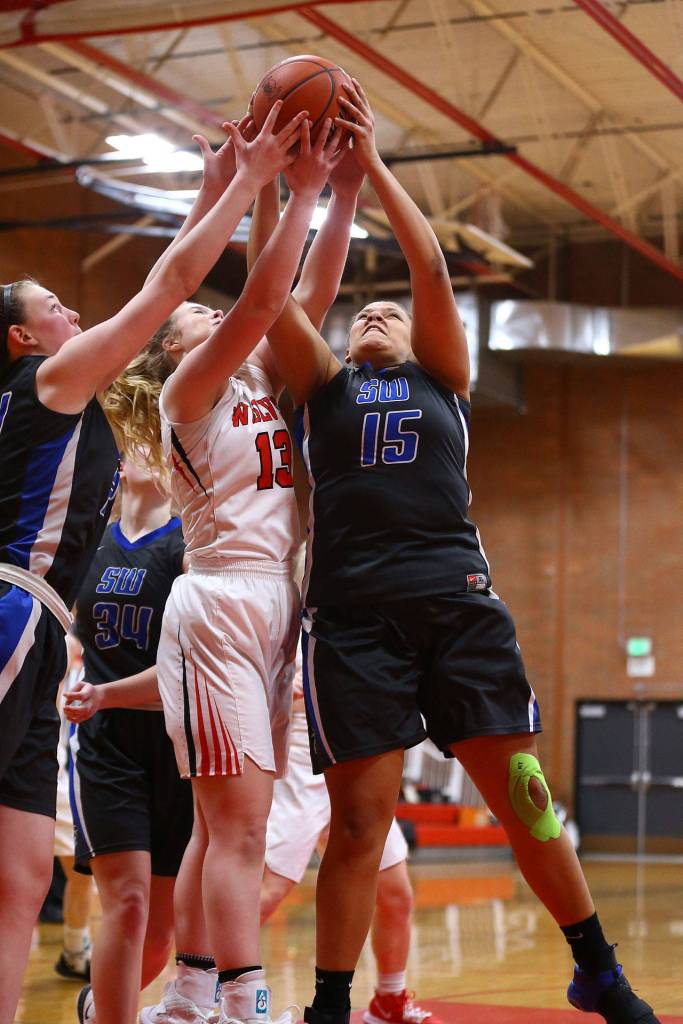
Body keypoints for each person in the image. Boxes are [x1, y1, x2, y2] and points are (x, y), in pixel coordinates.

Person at [260, 79, 661, 1024]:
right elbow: (275, 296)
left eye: (385, 314)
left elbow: (432, 273)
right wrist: (285, 192)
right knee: (357, 825)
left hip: (457, 600)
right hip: (353, 618)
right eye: (359, 313)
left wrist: (372, 171)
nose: (372, 315)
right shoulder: (320, 386)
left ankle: (595, 968)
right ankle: (328, 1004)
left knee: (523, 792)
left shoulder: (445, 378)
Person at [0, 100, 306, 1024]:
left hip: (51, 630)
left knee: (19, 877)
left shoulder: (63, 388)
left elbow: (186, 292)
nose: (71, 308)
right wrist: (246, 186)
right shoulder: (49, 382)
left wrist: (220, 189)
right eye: (53, 306)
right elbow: (167, 290)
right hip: (14, 604)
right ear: (22, 337)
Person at [69, 129, 366, 1024]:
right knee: (235, 828)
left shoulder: (262, 378)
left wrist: (339, 192)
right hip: (221, 604)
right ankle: (245, 1000)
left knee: (215, 826)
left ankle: (193, 990)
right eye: (198, 308)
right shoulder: (185, 392)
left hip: (277, 601)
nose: (214, 307)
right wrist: (288, 182)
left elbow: (302, 293)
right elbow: (270, 290)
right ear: (173, 344)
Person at [63, 451, 192, 1024]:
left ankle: (98, 1007)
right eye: (134, 438)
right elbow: (70, 631)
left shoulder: (189, 544)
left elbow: (185, 670)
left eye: (157, 439)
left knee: (160, 934)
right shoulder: (89, 538)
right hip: (105, 746)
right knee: (128, 900)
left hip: (173, 744)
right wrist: (68, 674)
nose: (146, 450)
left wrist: (107, 692)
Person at [261, 646, 439, 1024]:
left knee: (396, 893)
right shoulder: (286, 601)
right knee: (267, 892)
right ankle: (196, 986)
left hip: (357, 749)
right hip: (300, 754)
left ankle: (389, 1000)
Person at [54, 635, 94, 982]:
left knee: (82, 871)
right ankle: (75, 949)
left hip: (63, 772)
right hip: (50, 773)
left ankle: (75, 950)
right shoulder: (63, 640)